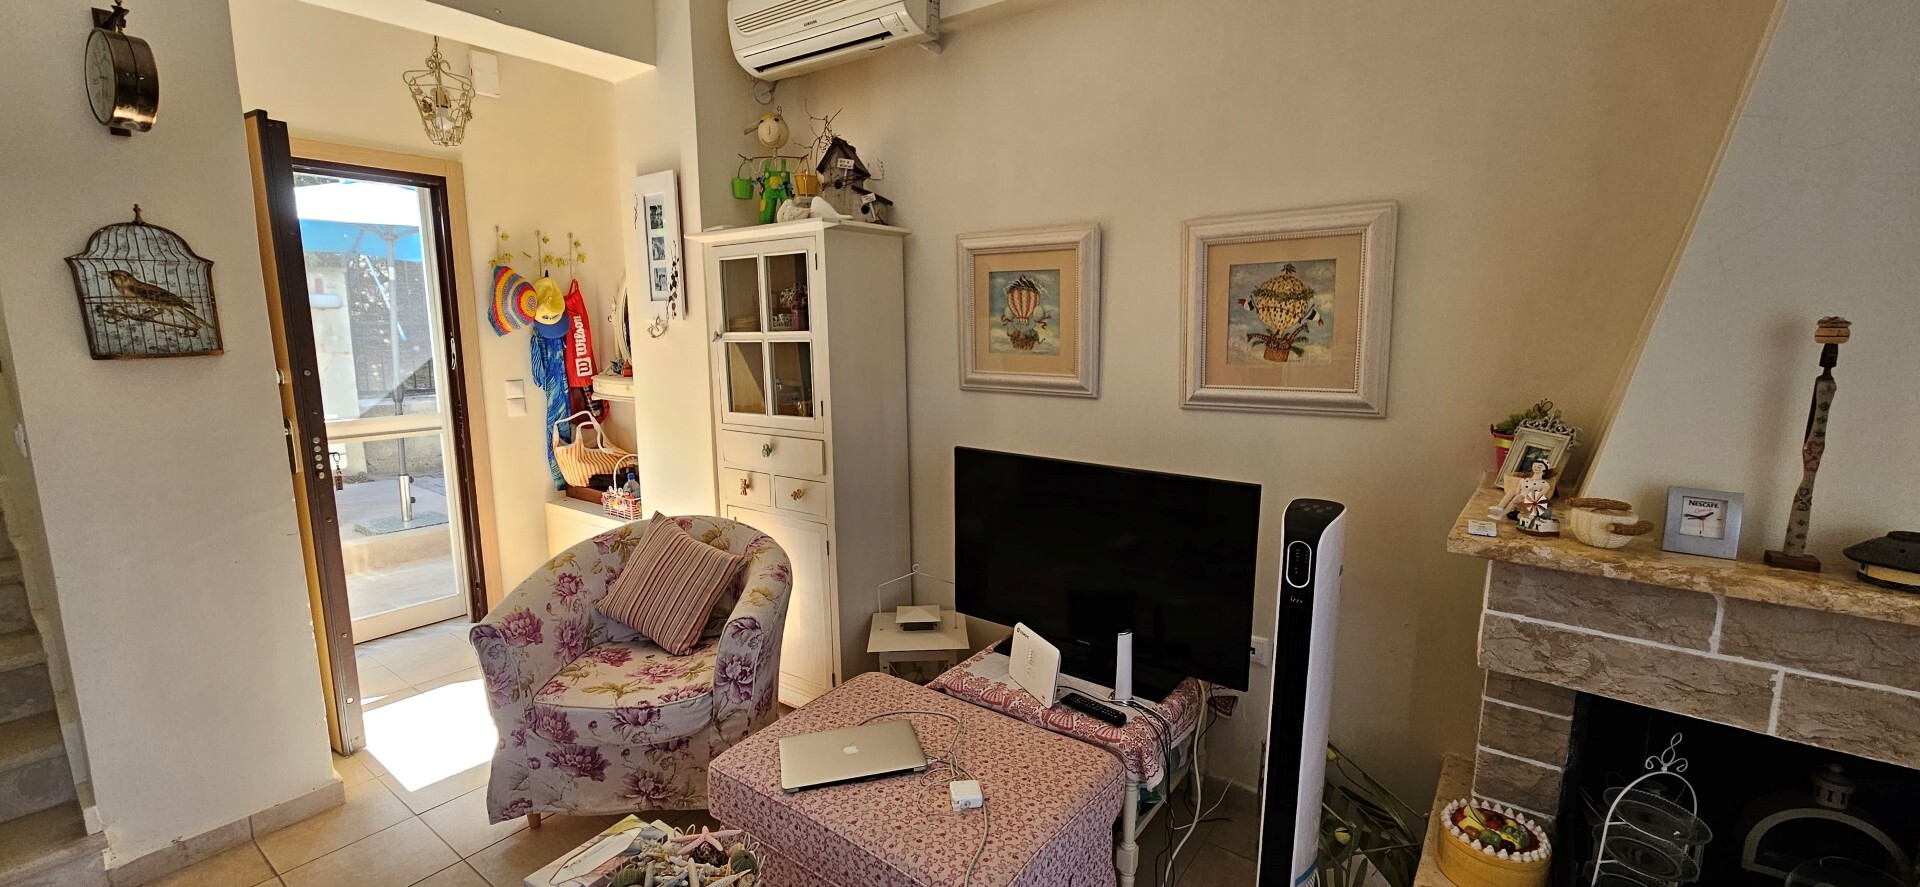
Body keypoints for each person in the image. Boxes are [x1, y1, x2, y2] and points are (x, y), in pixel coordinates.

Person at [1490, 459, 1556, 527]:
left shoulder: (1544, 484)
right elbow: (1517, 492)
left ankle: (1501, 514)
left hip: (1531, 504)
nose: (1536, 468)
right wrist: (1519, 497)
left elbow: (1538, 498)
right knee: (1512, 492)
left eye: (1539, 467)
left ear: (1544, 470)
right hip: (1520, 500)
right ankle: (1499, 507)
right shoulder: (1524, 480)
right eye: (1535, 466)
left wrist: (1524, 498)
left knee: (1519, 497)